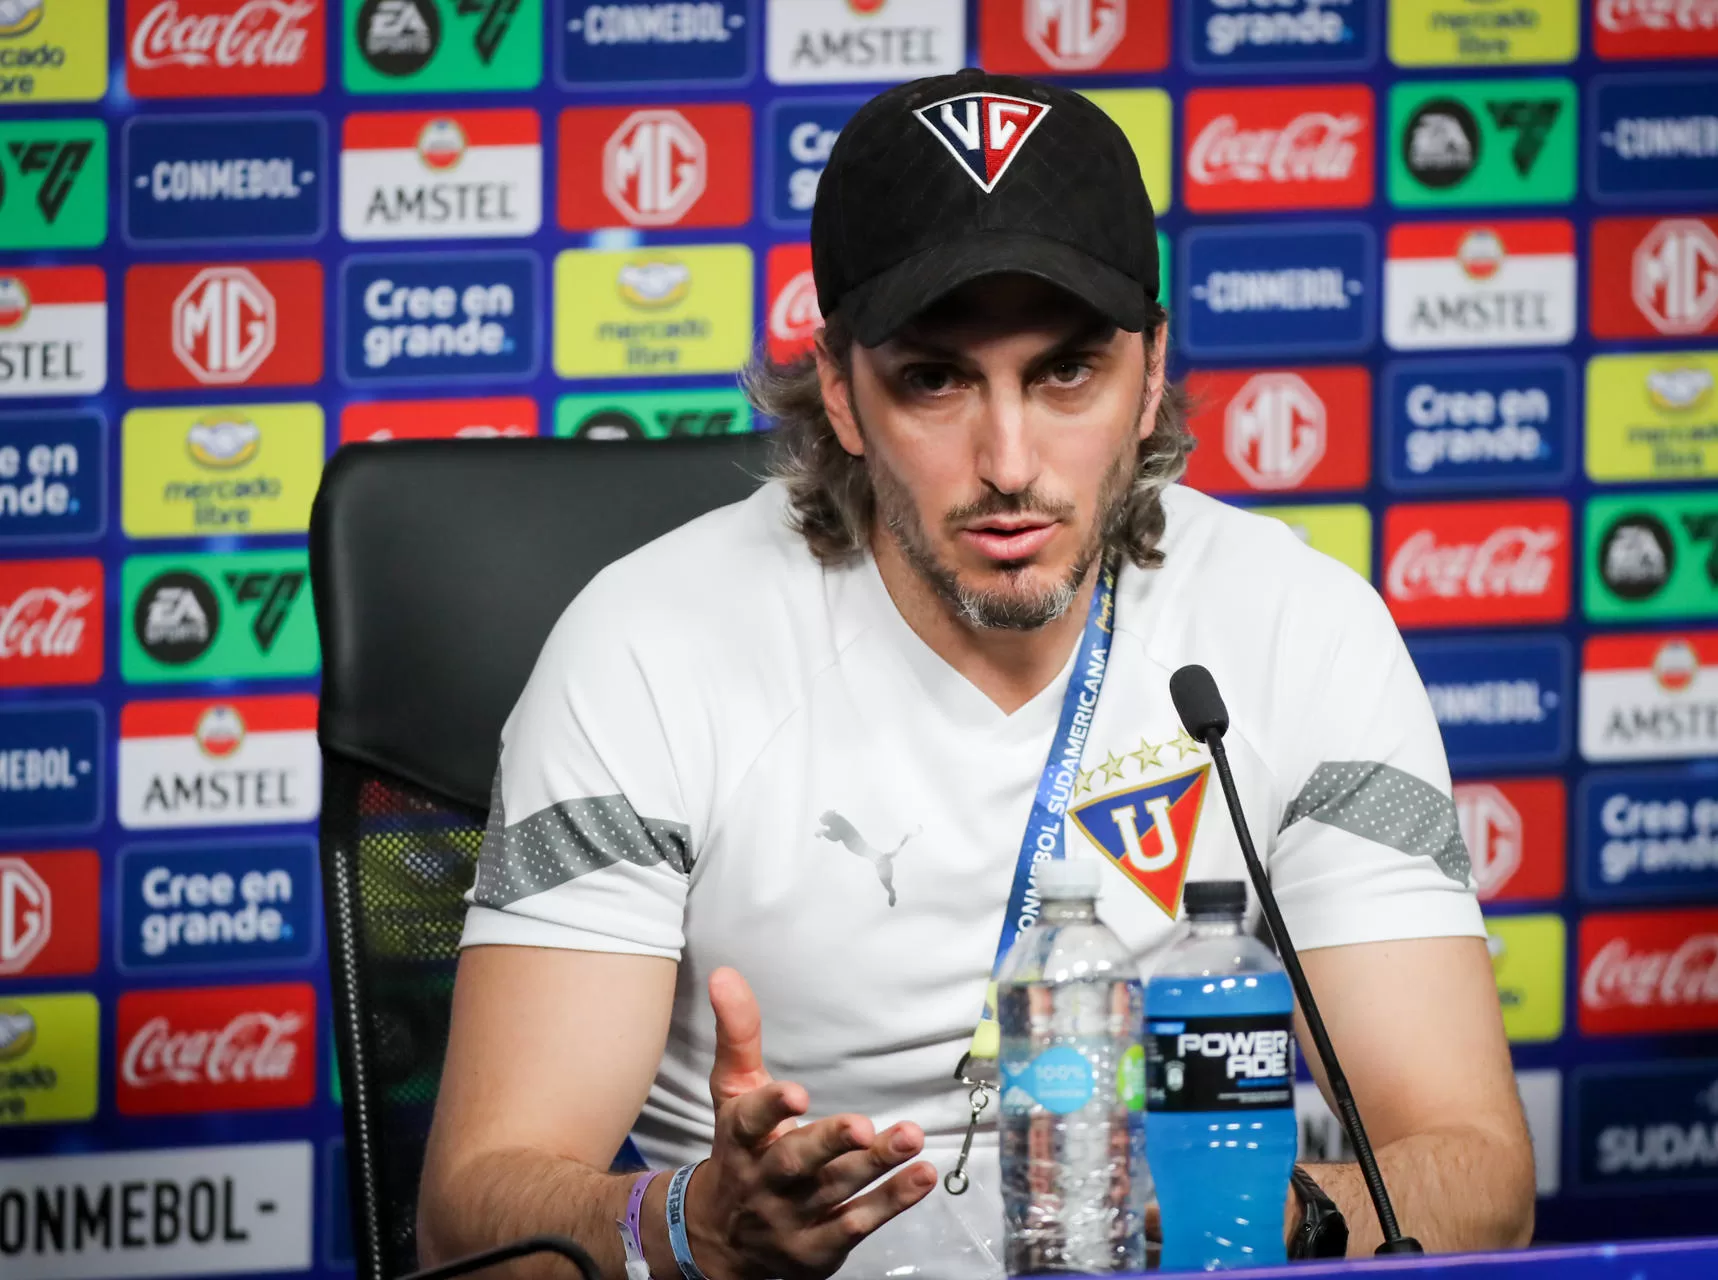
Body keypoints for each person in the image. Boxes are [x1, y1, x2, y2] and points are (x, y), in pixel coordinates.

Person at [417, 69, 1534, 1280]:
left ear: (1148, 373)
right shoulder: (645, 646)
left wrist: (1257, 1209)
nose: (1010, 462)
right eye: (936, 379)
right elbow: (475, 1218)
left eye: (1066, 374)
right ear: (841, 388)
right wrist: (693, 1224)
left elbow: (1476, 1173)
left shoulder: (1302, 630)